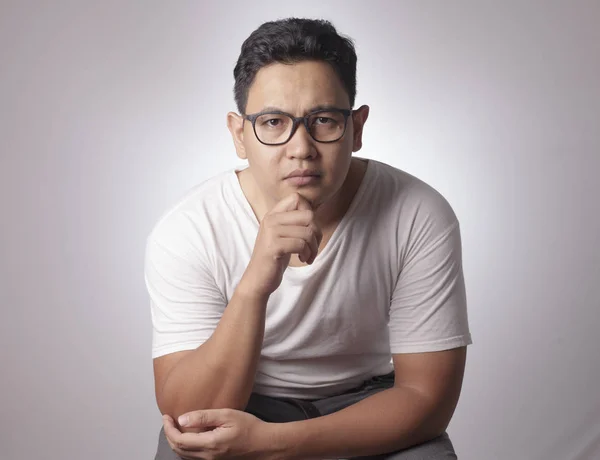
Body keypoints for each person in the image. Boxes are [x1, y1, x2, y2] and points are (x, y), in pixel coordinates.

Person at [145, 17, 472, 460]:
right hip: (246, 404)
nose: (301, 147)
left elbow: (426, 399)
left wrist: (275, 445)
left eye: (322, 119)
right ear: (240, 135)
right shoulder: (188, 228)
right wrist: (255, 284)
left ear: (356, 127)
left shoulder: (417, 213)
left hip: (367, 403)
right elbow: (188, 412)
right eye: (274, 122)